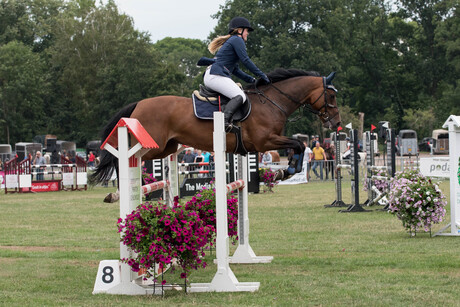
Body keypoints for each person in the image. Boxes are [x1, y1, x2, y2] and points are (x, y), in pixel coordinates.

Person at [197, 16, 270, 129]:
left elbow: (236, 70)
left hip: (213, 75)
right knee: (240, 96)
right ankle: (224, 122)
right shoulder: (237, 39)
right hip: (215, 75)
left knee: (239, 93)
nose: (247, 34)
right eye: (246, 31)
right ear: (240, 30)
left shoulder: (233, 41)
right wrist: (262, 75)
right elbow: (245, 60)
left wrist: (252, 80)